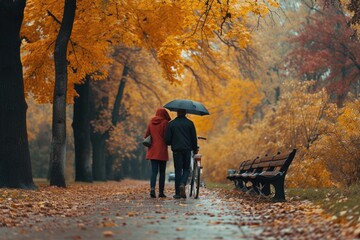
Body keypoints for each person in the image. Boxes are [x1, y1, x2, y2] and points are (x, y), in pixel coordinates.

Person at [165, 109, 197, 199]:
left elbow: (167, 140)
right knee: (186, 169)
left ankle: (177, 194)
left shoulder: (171, 124)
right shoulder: (190, 123)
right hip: (187, 149)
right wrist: (195, 149)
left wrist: (174, 142)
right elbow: (194, 138)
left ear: (177, 113)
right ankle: (183, 183)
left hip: (176, 150)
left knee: (178, 171)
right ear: (185, 113)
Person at [144, 108, 171, 198]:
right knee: (162, 172)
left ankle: (152, 189)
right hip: (162, 150)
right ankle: (161, 192)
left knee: (154, 171)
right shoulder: (165, 123)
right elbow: (167, 136)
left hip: (152, 150)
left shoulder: (151, 123)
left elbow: (146, 135)